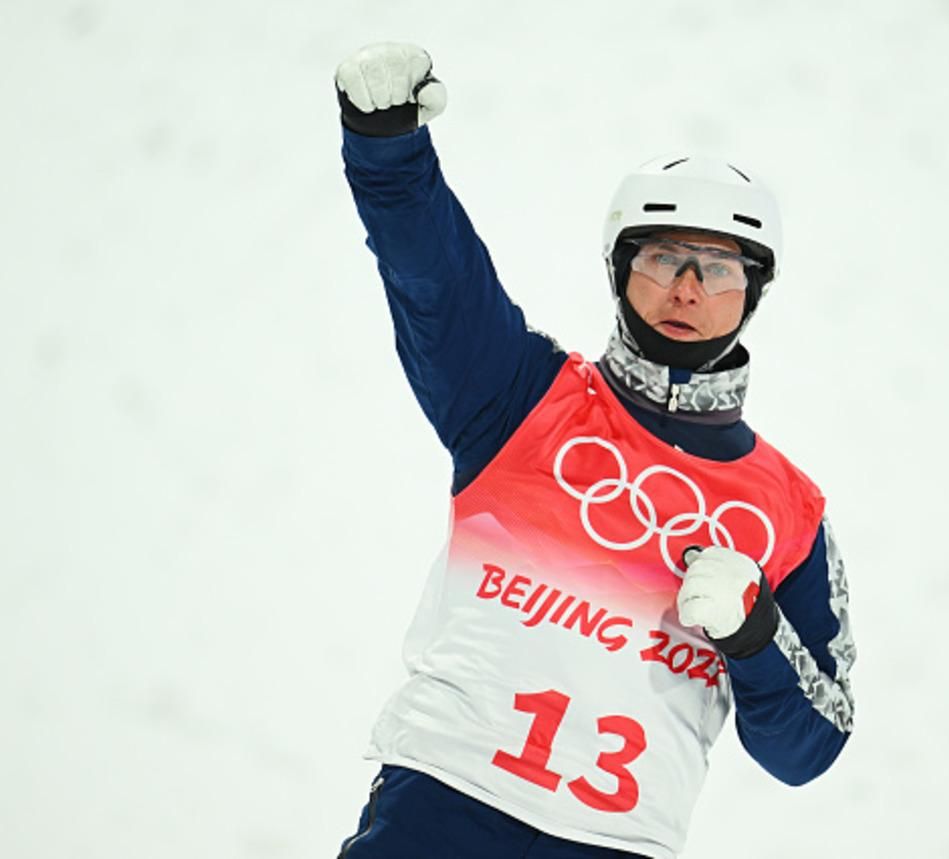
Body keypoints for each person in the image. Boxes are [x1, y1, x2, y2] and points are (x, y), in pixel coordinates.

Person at [332, 42, 856, 859]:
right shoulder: (518, 397)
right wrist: (385, 147)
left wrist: (755, 632)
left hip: (616, 842)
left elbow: (810, 746)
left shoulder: (790, 511)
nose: (687, 287)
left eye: (718, 268)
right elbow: (432, 277)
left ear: (754, 292)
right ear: (619, 269)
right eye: (661, 257)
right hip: (440, 806)